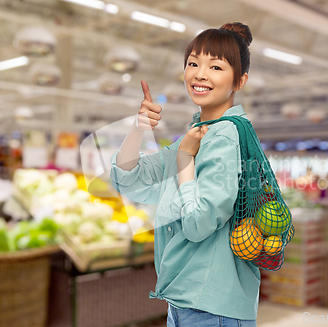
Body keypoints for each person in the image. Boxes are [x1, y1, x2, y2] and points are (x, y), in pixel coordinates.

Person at [110, 22, 259, 326]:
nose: (199, 74)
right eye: (193, 63)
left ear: (239, 81)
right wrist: (139, 128)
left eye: (216, 67)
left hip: (212, 304)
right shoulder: (197, 135)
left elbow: (198, 223)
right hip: (185, 299)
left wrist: (183, 159)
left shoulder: (226, 136)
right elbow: (127, 179)